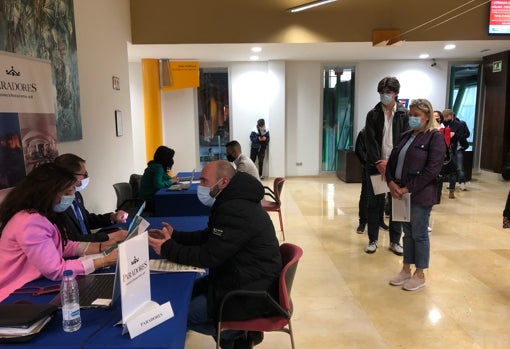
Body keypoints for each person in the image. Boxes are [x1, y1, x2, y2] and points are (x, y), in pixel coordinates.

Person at [148, 160, 282, 349]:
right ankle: (235, 339)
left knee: (181, 314)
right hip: (243, 276)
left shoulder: (235, 209)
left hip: (248, 292)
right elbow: (209, 236)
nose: (199, 187)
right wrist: (175, 236)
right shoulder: (232, 200)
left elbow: (208, 256)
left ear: (224, 182)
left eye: (204, 181)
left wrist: (167, 248)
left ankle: (236, 334)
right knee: (188, 293)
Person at [0, 163, 119, 302]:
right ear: (48, 193)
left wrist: (101, 247)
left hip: (31, 285)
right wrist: (104, 261)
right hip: (14, 295)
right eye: (67, 193)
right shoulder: (30, 222)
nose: (71, 197)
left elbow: (63, 245)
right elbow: (55, 270)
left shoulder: (44, 213)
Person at [386, 99, 445, 291]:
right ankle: (405, 269)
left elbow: (432, 170)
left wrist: (407, 188)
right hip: (400, 193)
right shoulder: (405, 136)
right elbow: (392, 162)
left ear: (427, 116)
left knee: (419, 234)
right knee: (407, 233)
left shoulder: (434, 137)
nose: (412, 118)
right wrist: (391, 182)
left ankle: (420, 274)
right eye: (410, 115)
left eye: (416, 115)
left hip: (419, 194)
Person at [363, 76, 409, 254]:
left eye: (388, 93)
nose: (384, 96)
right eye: (381, 93)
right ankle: (373, 239)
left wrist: (390, 163)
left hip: (397, 166)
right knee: (375, 204)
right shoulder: (372, 114)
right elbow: (370, 141)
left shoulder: (404, 114)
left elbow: (406, 140)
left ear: (396, 93)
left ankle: (395, 241)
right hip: (376, 165)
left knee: (397, 203)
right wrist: (379, 163)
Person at [53, 153, 128, 243]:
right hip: (77, 251)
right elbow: (69, 241)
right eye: (84, 174)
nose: (87, 177)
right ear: (70, 176)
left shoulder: (76, 195)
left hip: (90, 246)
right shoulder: (58, 203)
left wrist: (112, 217)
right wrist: (108, 237)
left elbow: (87, 220)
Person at [354, 128, 387, 233]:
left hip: (382, 169)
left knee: (381, 196)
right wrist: (368, 163)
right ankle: (363, 222)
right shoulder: (364, 132)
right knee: (365, 196)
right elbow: (359, 150)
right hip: (369, 168)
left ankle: (380, 221)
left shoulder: (384, 133)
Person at [442, 109, 470, 196]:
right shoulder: (443, 124)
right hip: (448, 149)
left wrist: (454, 135)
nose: (445, 119)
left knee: (458, 167)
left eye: (447, 116)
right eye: (444, 117)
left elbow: (464, 135)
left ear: (451, 115)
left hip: (458, 148)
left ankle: (460, 183)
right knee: (451, 168)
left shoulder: (460, 124)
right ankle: (452, 184)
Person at [139, 145, 177, 212]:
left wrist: (172, 179)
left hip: (146, 198)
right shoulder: (158, 168)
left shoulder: (155, 165)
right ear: (165, 158)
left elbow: (165, 177)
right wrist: (171, 181)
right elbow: (158, 185)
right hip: (149, 201)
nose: (171, 160)